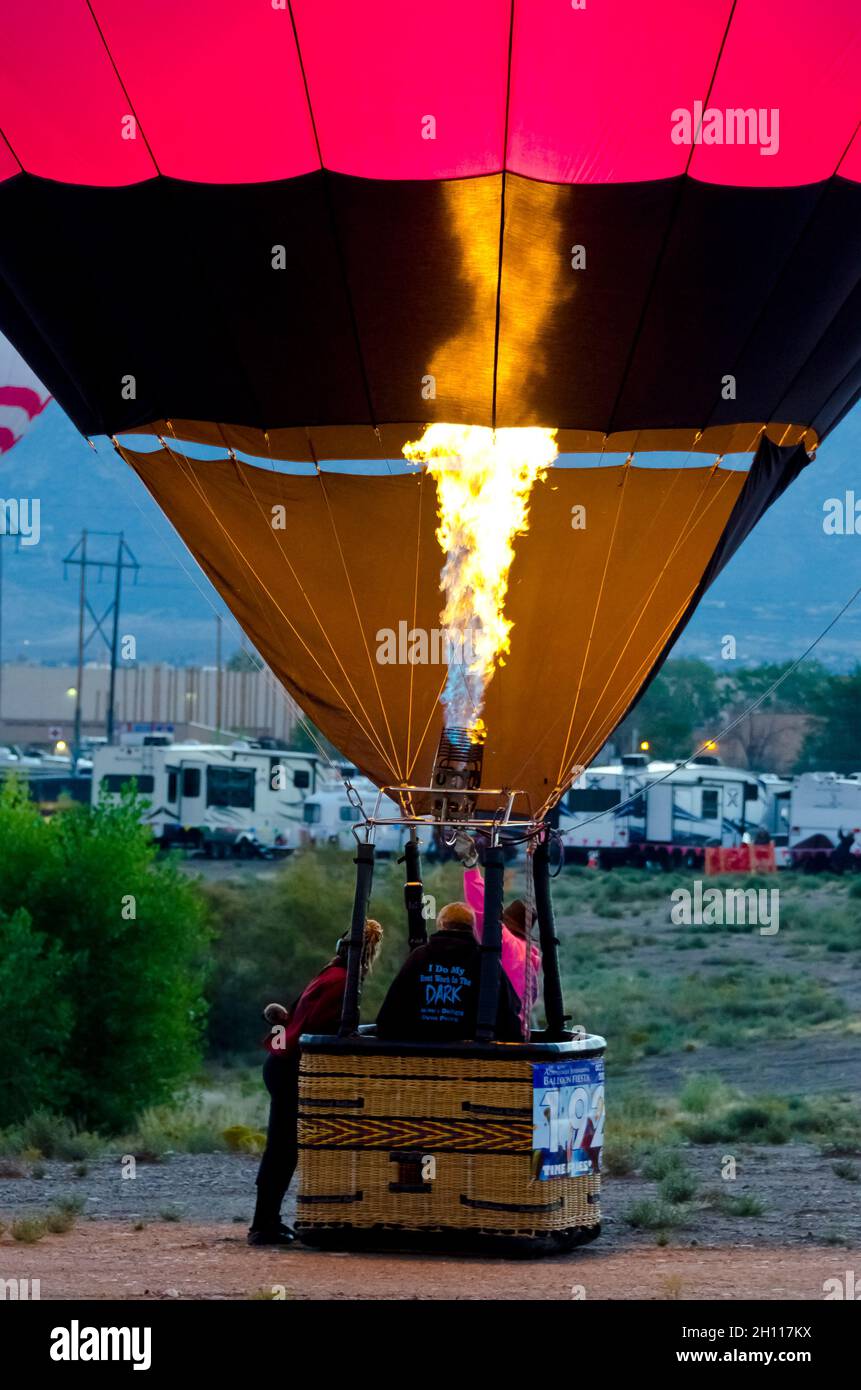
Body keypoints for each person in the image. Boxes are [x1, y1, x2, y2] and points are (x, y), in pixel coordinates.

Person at [248, 919, 383, 1246]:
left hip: (281, 1064)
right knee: (283, 1149)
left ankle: (266, 1221)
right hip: (289, 1067)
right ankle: (263, 1224)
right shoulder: (342, 983)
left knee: (282, 1148)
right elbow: (321, 1030)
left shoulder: (331, 974)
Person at [375, 901, 522, 1043]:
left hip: (420, 1058)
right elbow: (510, 1013)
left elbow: (389, 1016)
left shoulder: (418, 957)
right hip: (472, 1059)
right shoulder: (486, 961)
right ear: (472, 927)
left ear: (441, 925)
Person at [457, 836, 541, 1033]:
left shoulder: (506, 942)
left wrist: (471, 866)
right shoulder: (529, 955)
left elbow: (485, 909)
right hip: (517, 1028)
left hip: (496, 1025)